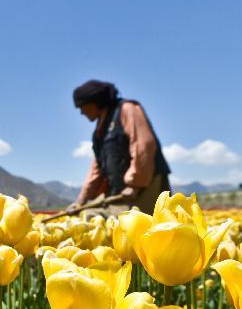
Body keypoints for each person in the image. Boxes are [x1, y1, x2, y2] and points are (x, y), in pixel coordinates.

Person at [71, 80, 171, 215]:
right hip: (123, 190)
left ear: (93, 102)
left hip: (145, 185)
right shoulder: (100, 131)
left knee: (146, 228)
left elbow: (143, 146)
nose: (81, 112)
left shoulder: (127, 109)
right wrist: (81, 201)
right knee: (91, 216)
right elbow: (97, 169)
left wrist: (135, 184)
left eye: (81, 107)